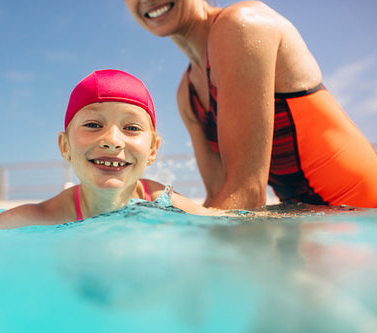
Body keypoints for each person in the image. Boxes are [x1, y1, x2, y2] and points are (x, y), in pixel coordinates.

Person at [124, 0, 377, 209]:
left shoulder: (241, 26)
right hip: (317, 223)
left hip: (364, 216)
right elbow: (218, 197)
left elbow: (247, 194)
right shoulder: (187, 95)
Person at [0, 69, 220, 230]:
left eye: (132, 128)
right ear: (65, 146)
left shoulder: (164, 204)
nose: (112, 140)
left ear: (153, 150)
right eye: (93, 125)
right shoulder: (47, 217)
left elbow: (229, 223)